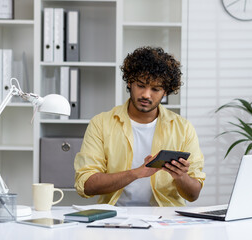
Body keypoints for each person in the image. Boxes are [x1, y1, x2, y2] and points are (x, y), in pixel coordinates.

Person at [74, 46, 205, 207]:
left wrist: (181, 177)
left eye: (155, 89)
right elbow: (86, 185)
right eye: (141, 85)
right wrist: (135, 173)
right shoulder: (101, 123)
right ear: (130, 82)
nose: (146, 95)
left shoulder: (183, 128)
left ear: (165, 92)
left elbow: (193, 195)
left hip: (165, 220)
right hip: (115, 217)